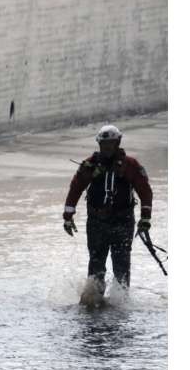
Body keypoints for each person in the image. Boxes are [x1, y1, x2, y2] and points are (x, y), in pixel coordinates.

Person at [62, 124, 153, 293]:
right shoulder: (90, 165)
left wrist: (145, 217)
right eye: (104, 144)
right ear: (99, 145)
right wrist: (68, 216)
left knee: (122, 264)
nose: (107, 147)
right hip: (97, 222)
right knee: (96, 263)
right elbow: (75, 188)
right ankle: (94, 299)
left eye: (111, 143)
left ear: (117, 143)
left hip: (123, 222)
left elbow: (145, 191)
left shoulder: (130, 165)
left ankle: (120, 302)